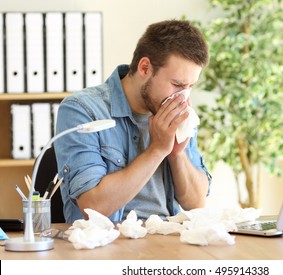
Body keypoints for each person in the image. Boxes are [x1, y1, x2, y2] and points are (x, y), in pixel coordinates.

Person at [54, 19, 212, 223]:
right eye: (177, 84)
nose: (183, 97)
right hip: (109, 244)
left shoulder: (178, 111)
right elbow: (92, 207)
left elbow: (196, 203)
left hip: (168, 240)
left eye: (190, 86)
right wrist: (157, 150)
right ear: (145, 67)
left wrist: (177, 154)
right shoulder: (82, 110)